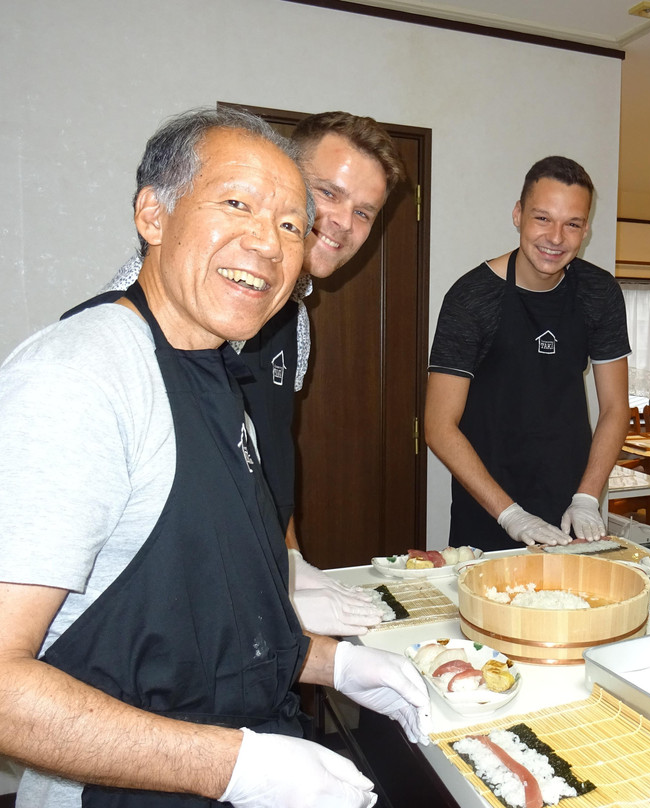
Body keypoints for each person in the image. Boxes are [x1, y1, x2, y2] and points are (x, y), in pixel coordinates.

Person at [0, 107, 428, 808]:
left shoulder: (219, 372)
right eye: (237, 204)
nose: (268, 242)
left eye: (292, 224)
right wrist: (234, 767)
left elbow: (204, 617)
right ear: (153, 214)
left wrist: (334, 665)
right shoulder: (81, 377)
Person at [103, 111, 407, 637]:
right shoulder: (140, 326)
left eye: (363, 211)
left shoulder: (293, 315)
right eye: (327, 194)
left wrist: (289, 560)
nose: (339, 221)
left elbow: (261, 451)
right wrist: (265, 593)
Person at [426, 156, 630, 551]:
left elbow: (615, 408)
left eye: (572, 223)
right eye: (542, 218)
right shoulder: (471, 298)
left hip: (572, 505)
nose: (556, 237)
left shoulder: (599, 293)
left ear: (586, 229)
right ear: (518, 214)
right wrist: (511, 515)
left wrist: (588, 497)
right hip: (489, 508)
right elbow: (438, 424)